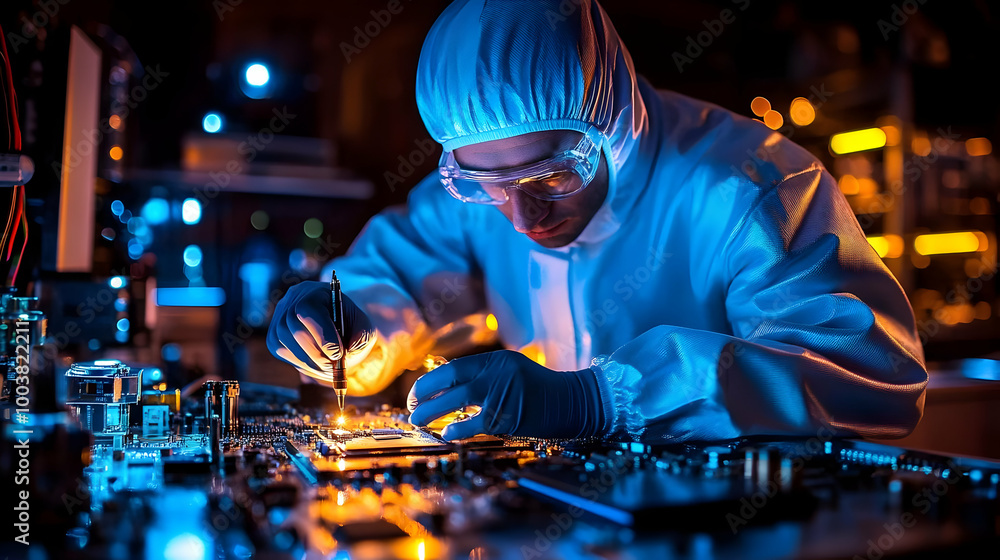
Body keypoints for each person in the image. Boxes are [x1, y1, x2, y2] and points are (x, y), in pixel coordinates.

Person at [267, 0, 927, 442]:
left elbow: (871, 379)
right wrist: (348, 326)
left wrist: (602, 401)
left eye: (552, 175)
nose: (523, 214)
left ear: (609, 125)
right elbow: (405, 275)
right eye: (488, 184)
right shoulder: (487, 189)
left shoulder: (751, 188)